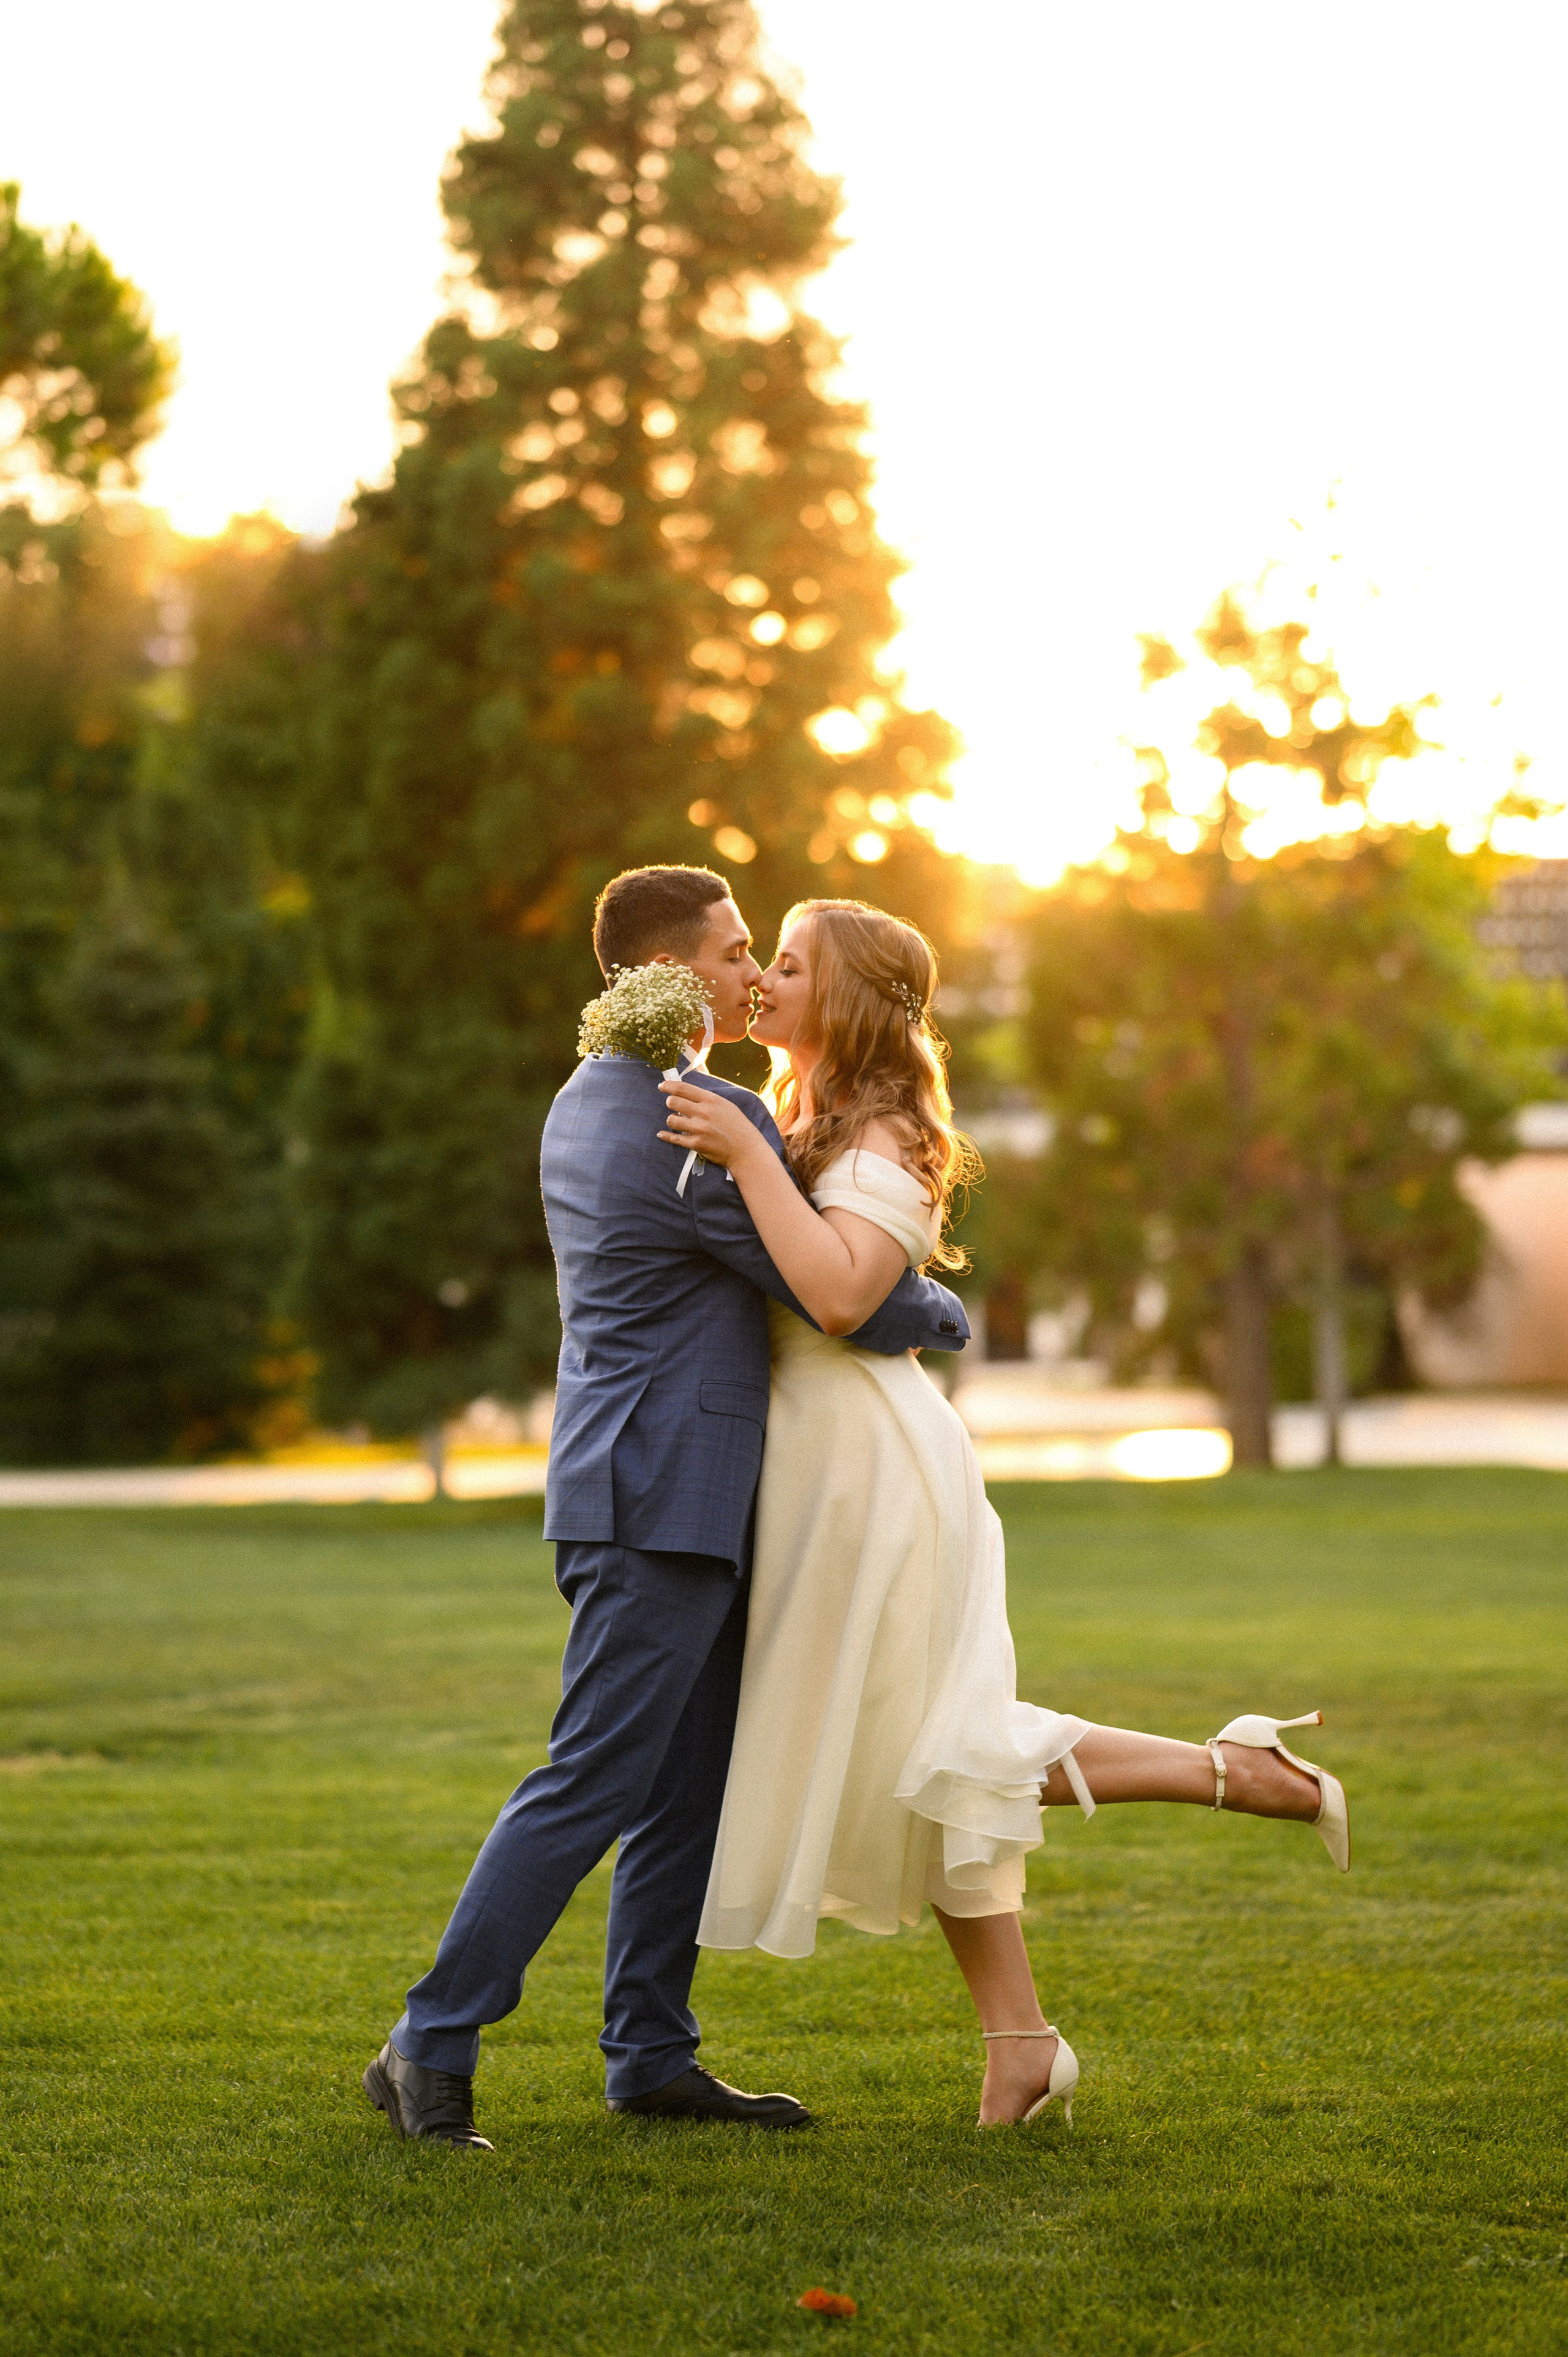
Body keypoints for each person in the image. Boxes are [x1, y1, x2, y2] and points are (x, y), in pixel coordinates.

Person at [658, 899, 1350, 2130]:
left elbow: (833, 1295)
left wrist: (749, 1157)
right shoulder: (802, 1121)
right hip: (813, 1473)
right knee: (931, 1760)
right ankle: (1022, 2039)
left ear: (854, 997)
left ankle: (1224, 1772)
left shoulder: (880, 1139)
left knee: (941, 1749)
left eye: (794, 962)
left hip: (873, 1476)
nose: (764, 974)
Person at [363, 867, 971, 2149]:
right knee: (589, 1778)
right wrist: (939, 1309)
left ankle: (649, 2053)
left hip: (652, 1492)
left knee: (679, 1789)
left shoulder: (596, 1096)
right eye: (737, 949)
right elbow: (816, 1280)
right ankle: (433, 2034)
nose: (754, 971)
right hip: (655, 1497)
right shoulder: (685, 1115)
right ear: (676, 967)